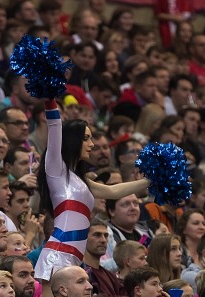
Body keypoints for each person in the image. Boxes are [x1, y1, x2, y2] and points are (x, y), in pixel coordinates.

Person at [33, 97, 149, 282]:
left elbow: (113, 192)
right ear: (71, 141)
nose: (92, 144)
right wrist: (49, 98)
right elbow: (55, 127)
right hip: (57, 255)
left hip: (74, 259)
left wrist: (152, 181)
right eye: (86, 139)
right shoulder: (55, 170)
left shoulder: (79, 180)